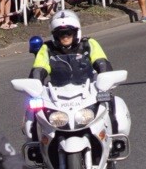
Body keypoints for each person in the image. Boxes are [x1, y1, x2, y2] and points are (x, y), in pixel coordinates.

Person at [27, 9, 130, 139]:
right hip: (57, 93)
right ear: (54, 35)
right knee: (33, 107)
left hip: (88, 89)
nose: (65, 37)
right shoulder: (47, 49)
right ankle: (36, 144)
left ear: (76, 32)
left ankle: (115, 139)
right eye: (61, 33)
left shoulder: (88, 44)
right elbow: (39, 68)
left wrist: (107, 80)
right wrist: (34, 86)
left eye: (69, 33)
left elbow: (102, 63)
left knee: (110, 100)